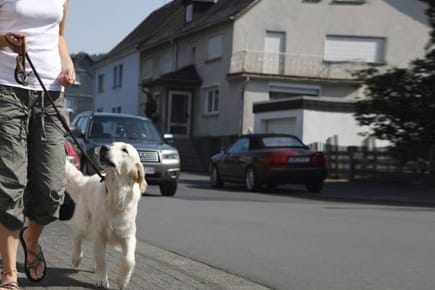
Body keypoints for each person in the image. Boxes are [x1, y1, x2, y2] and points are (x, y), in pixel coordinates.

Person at [0, 1, 75, 289]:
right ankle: (8, 276)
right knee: (10, 183)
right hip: (7, 90)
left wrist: (67, 62)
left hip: (50, 94)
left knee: (53, 189)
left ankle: (30, 239)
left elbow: (58, 36)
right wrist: (5, 40)